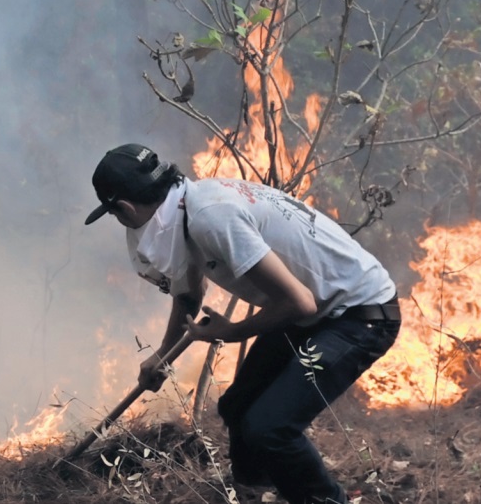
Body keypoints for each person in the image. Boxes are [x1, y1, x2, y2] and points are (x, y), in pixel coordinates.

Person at [84, 143, 401, 504]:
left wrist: (230, 333)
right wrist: (163, 356)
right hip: (318, 314)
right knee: (238, 406)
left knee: (271, 428)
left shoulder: (211, 218)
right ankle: (254, 492)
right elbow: (189, 295)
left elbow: (298, 302)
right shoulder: (187, 208)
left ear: (124, 209)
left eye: (114, 214)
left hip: (360, 315)